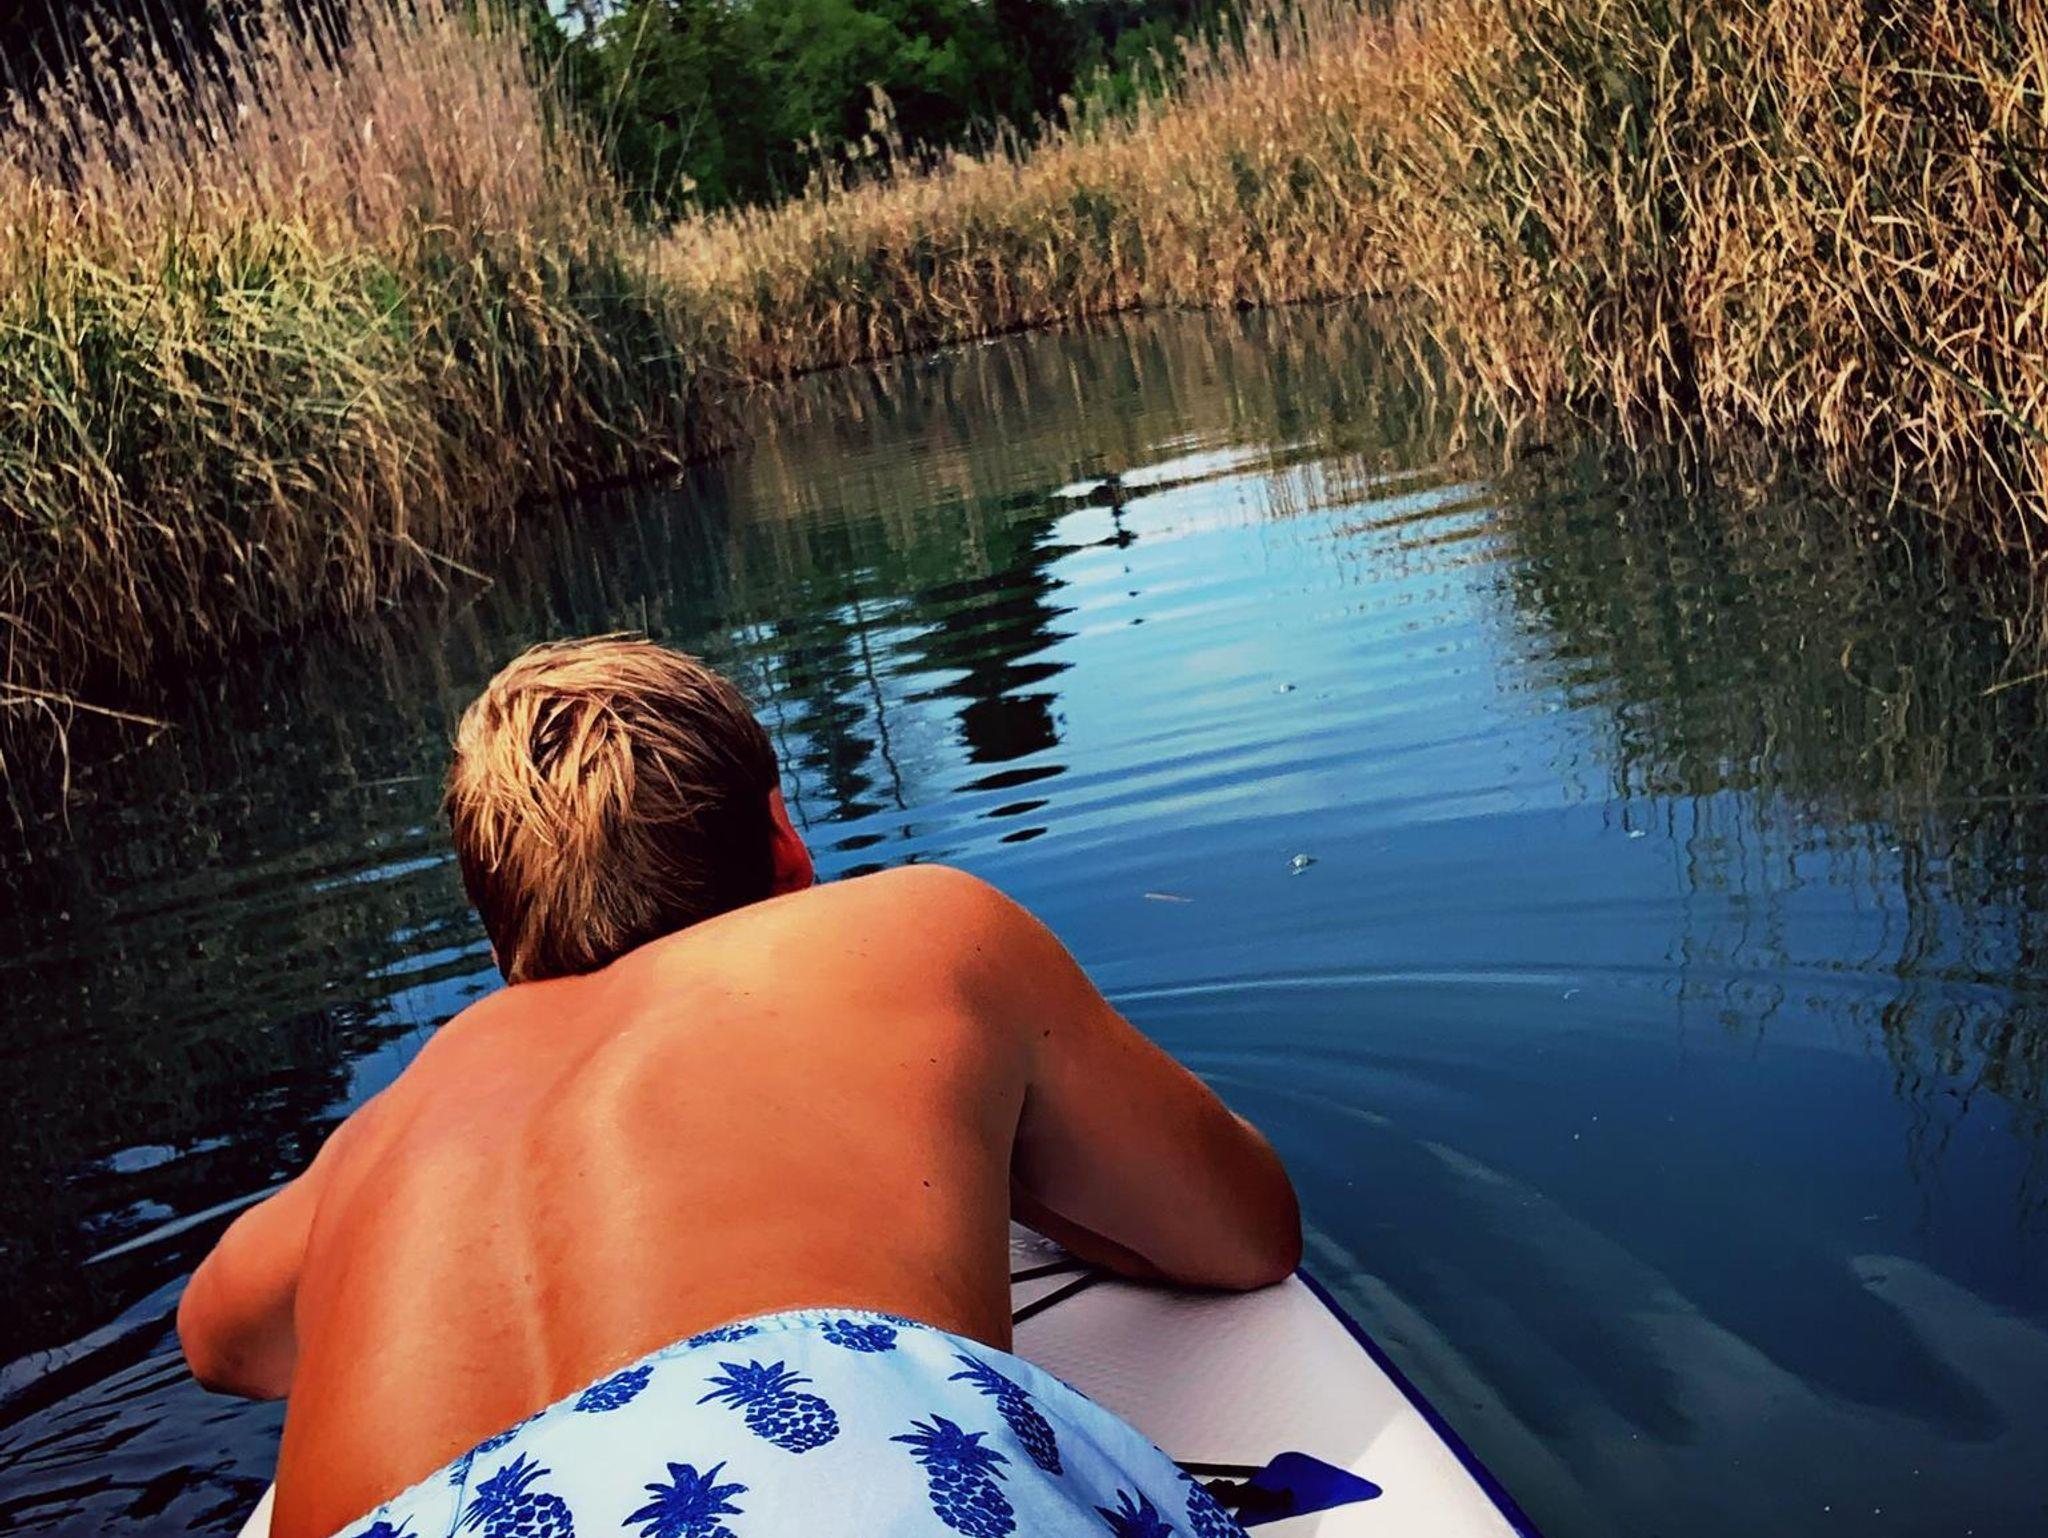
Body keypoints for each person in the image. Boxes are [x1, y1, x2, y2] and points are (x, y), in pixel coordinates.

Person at [179, 635, 1302, 1538]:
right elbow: (1244, 1233)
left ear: (498, 936)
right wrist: (993, 1151)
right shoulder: (919, 929)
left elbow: (216, 1342)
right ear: (783, 839)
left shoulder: (396, 1121)